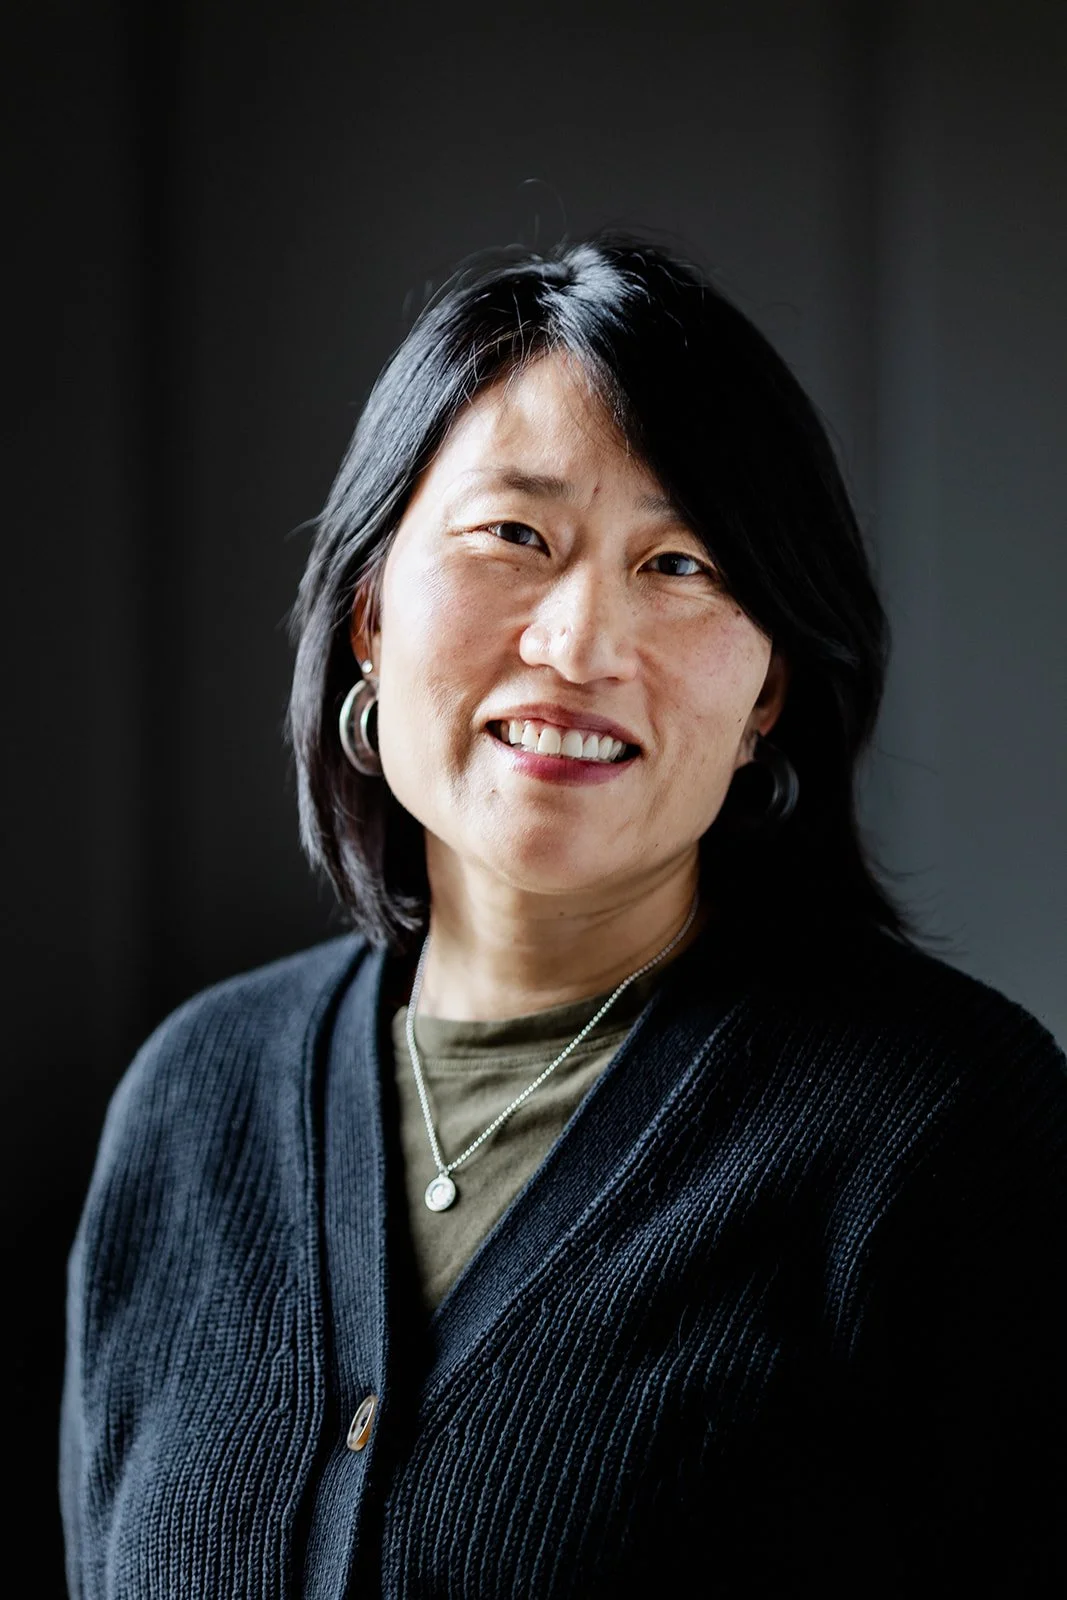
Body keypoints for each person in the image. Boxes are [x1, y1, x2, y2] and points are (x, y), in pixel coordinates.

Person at [61, 233, 1067, 1597]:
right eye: (514, 538)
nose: (579, 646)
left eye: (681, 567)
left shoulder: (940, 1127)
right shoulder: (196, 1098)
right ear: (368, 612)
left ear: (766, 690)